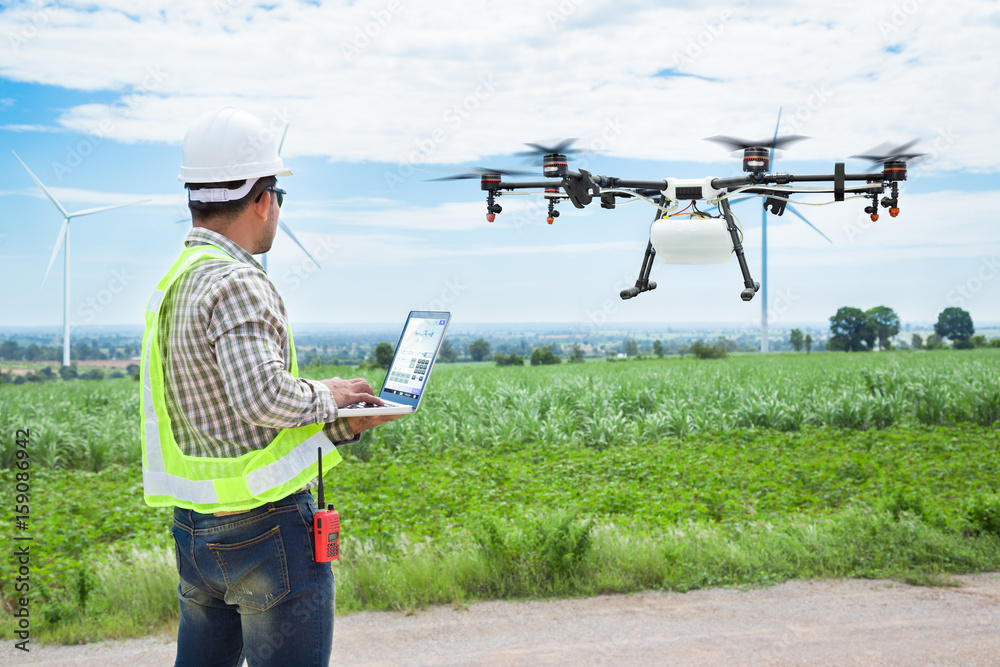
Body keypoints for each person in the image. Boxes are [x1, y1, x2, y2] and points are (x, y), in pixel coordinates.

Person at [139, 107, 396, 666]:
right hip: (264, 532)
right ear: (262, 198)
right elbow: (260, 398)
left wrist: (334, 415)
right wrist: (330, 398)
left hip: (195, 529)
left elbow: (228, 410)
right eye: (278, 195)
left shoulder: (177, 281)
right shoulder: (237, 281)